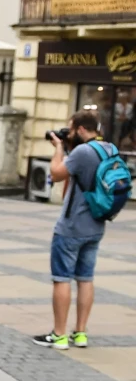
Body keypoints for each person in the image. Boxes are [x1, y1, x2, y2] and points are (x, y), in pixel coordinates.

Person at [34, 110, 117, 351]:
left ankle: (59, 335)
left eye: (71, 129)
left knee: (61, 279)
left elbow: (56, 174)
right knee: (85, 279)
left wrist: (58, 148)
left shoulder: (82, 152)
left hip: (71, 227)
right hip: (96, 224)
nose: (69, 134)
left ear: (81, 129)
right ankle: (80, 333)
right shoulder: (109, 148)